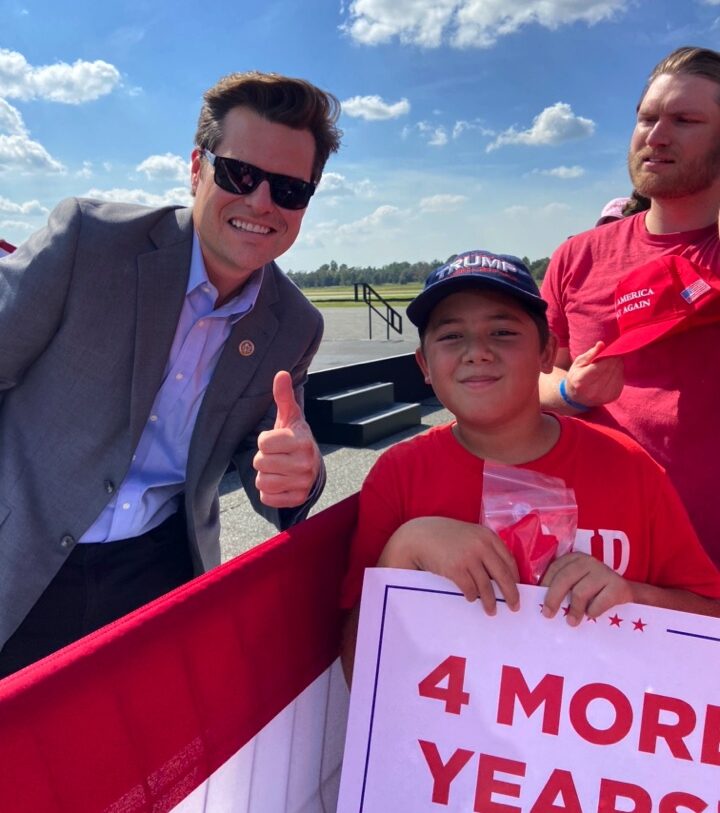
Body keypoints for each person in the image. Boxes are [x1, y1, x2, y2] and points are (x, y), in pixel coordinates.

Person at [0, 71, 342, 676]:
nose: (262, 202)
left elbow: (272, 457)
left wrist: (298, 478)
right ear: (196, 168)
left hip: (157, 579)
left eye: (290, 190)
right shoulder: (90, 242)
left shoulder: (293, 326)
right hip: (18, 559)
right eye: (241, 174)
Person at [340, 250, 720, 679]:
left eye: (502, 332)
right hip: (455, 740)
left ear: (546, 353)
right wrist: (405, 548)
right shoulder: (399, 476)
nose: (477, 352)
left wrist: (634, 599)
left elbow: (709, 618)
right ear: (424, 365)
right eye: (450, 336)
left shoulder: (630, 468)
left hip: (597, 729)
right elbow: (359, 670)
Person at [540, 46, 720, 567]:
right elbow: (535, 376)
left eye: (685, 120)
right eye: (646, 118)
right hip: (595, 554)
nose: (656, 135)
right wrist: (571, 390)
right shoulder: (579, 254)